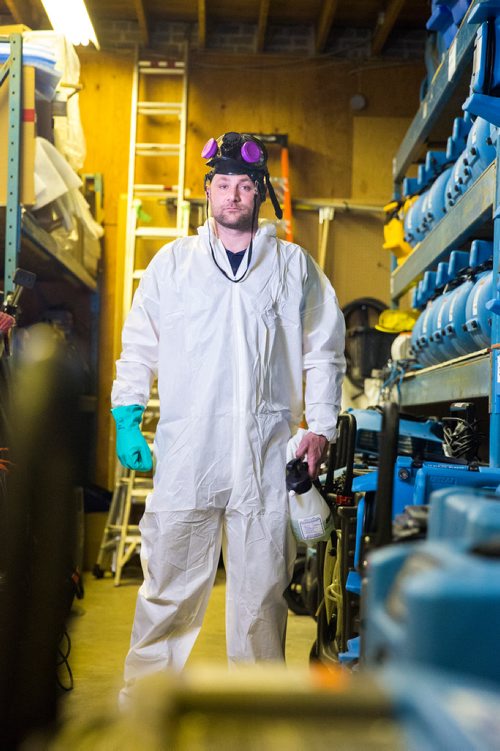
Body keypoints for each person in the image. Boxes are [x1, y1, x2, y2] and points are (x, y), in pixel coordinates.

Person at [111, 131, 345, 697]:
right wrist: (126, 413)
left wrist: (319, 425)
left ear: (259, 193)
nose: (233, 195)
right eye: (222, 185)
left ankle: (258, 713)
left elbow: (324, 349)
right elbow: (140, 344)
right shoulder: (173, 264)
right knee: (167, 588)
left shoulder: (294, 266)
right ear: (208, 192)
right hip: (189, 449)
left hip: (266, 454)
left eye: (244, 185)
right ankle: (143, 711)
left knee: (261, 598)